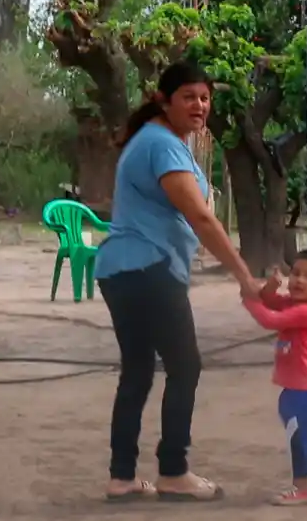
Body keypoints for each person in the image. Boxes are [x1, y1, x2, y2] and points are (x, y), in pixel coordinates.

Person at [94, 60, 262, 502]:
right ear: (163, 100)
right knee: (185, 366)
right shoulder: (162, 145)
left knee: (138, 371)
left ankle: (122, 476)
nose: (200, 105)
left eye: (205, 97)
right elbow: (201, 217)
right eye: (188, 96)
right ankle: (173, 471)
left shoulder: (155, 140)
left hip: (123, 270)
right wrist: (245, 277)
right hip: (147, 269)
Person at [241, 248, 307, 506]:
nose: (298, 280)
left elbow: (269, 319)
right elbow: (270, 302)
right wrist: (268, 288)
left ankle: (302, 488)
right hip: (305, 389)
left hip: (306, 391)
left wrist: (249, 298)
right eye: (295, 273)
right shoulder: (294, 303)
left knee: (299, 437)